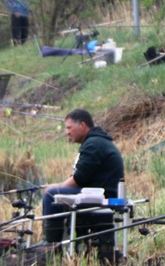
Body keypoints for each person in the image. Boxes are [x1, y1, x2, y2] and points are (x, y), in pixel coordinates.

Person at [40, 109, 124, 256]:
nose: (67, 132)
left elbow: (79, 179)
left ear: (82, 125)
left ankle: (51, 248)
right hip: (98, 192)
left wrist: (57, 186)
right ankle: (56, 244)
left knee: (51, 195)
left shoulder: (94, 144)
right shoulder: (96, 141)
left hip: (103, 196)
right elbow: (81, 176)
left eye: (69, 127)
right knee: (54, 192)